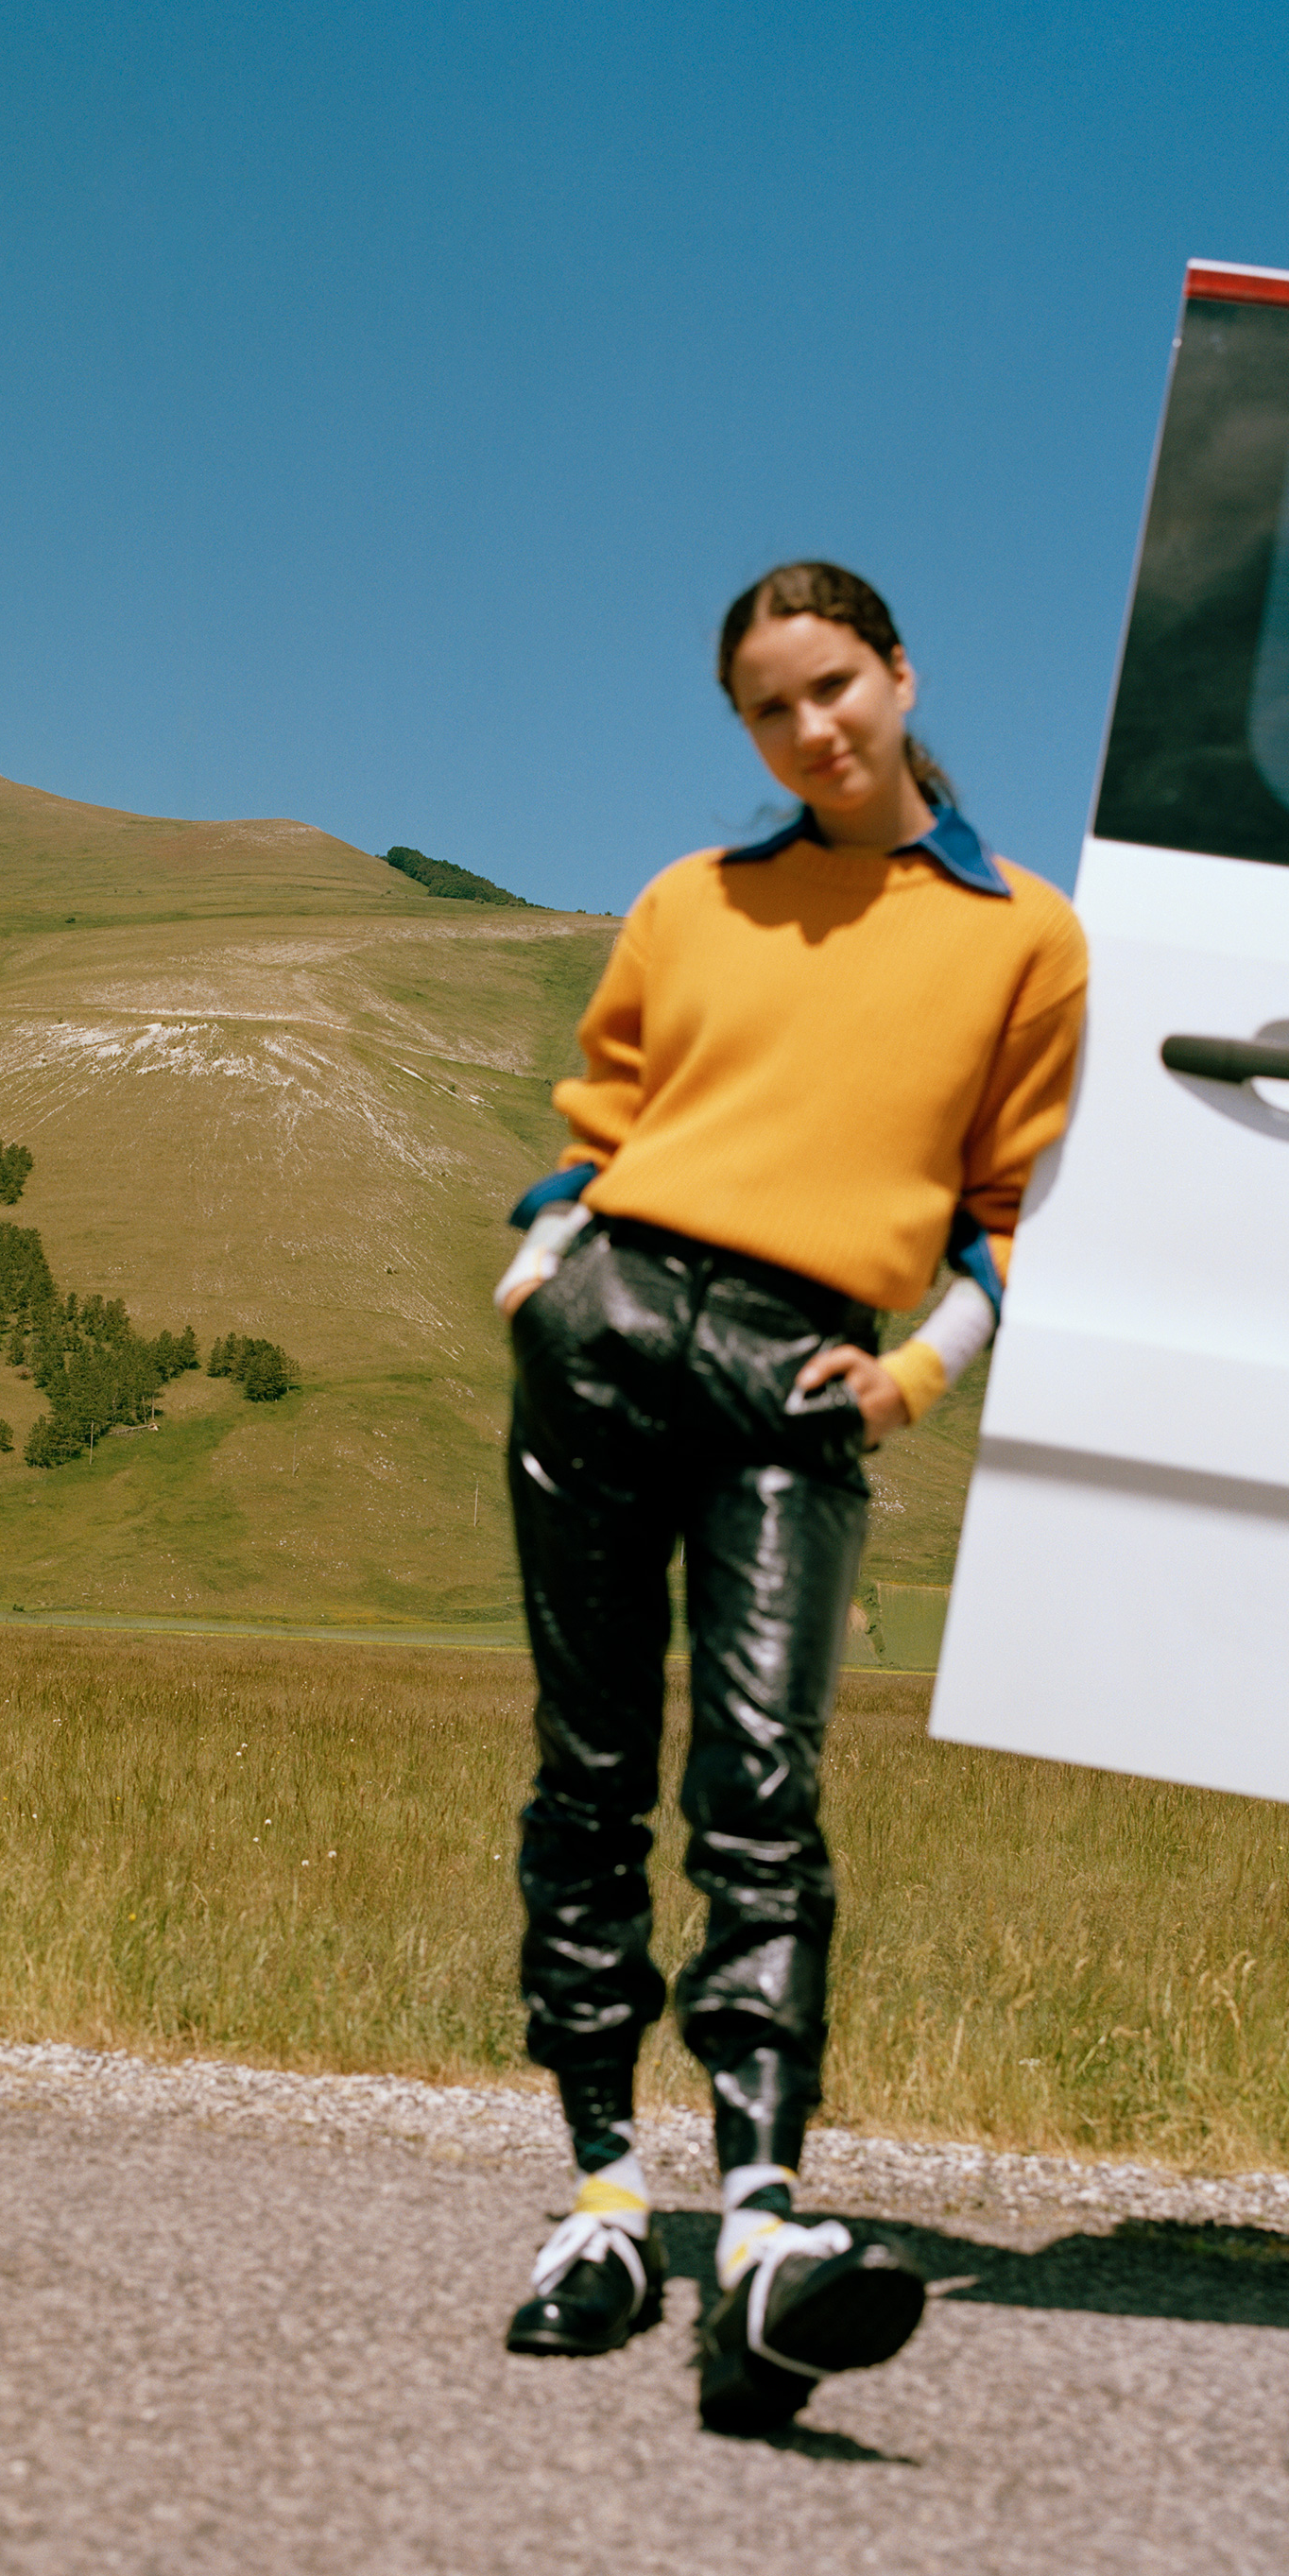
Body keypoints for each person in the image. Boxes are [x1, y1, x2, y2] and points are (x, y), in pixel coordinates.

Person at [494, 560, 1087, 2434]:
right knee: (589, 1771)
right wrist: (542, 1261)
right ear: (745, 729)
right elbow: (598, 1122)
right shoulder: (693, 899)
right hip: (605, 1334)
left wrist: (919, 1373)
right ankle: (605, 2203)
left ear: (899, 674)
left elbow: (1007, 1211)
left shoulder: (1024, 937)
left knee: (761, 1794)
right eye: (769, 707)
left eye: (832, 685)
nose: (810, 727)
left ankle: (757, 2221)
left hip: (799, 1368)